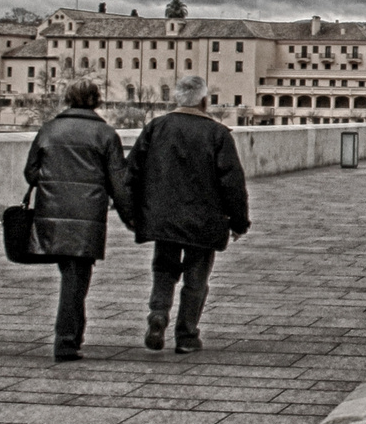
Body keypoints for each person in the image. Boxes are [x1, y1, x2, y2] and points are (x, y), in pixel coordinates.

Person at [127, 75, 249, 354]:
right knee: (197, 278)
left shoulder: (156, 127)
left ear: (177, 99)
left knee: (164, 269)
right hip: (205, 219)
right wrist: (239, 222)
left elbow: (132, 171)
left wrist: (133, 212)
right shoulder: (218, 134)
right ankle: (187, 335)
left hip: (164, 216)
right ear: (205, 101)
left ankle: (158, 313)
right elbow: (232, 183)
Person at [24, 80, 133, 362]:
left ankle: (73, 333)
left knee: (72, 274)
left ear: (68, 99)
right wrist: (131, 217)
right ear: (96, 100)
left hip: (52, 211)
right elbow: (118, 182)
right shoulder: (106, 134)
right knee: (76, 277)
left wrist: (54, 184)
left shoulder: (49, 129)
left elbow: (31, 172)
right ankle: (66, 340)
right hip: (87, 216)